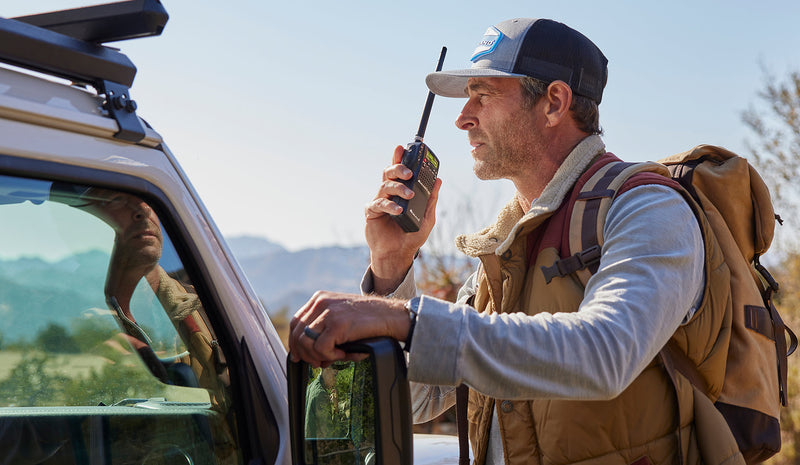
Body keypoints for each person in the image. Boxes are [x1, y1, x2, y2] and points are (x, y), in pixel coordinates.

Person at [290, 18, 741, 465]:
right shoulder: (504, 248)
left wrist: (402, 318)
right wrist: (391, 268)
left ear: (554, 103)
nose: (463, 119)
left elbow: (606, 353)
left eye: (482, 95)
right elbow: (419, 401)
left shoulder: (649, 208)